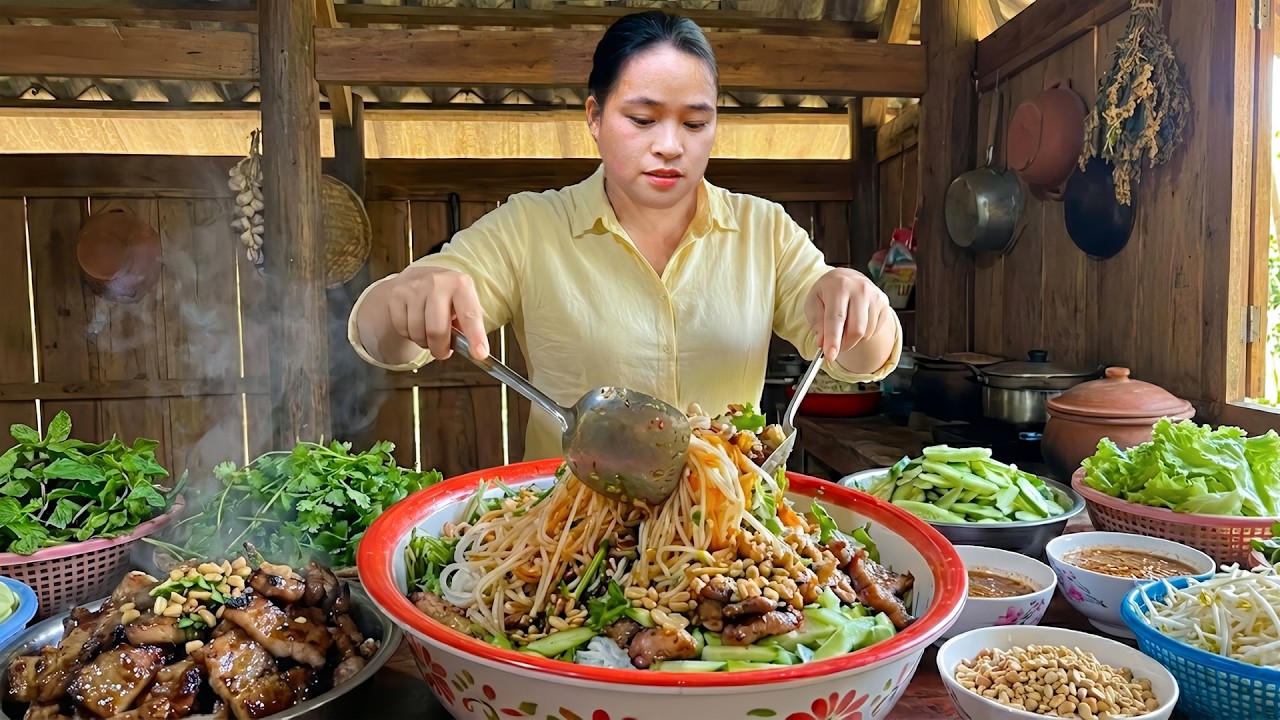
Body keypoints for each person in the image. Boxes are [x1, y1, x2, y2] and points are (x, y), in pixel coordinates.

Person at [348, 10, 901, 461]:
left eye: (694, 123)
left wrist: (860, 304)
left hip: (731, 543)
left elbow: (861, 359)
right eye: (641, 119)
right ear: (594, 116)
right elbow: (380, 339)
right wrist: (407, 296)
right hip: (566, 542)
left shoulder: (764, 231)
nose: (669, 145)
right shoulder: (531, 227)